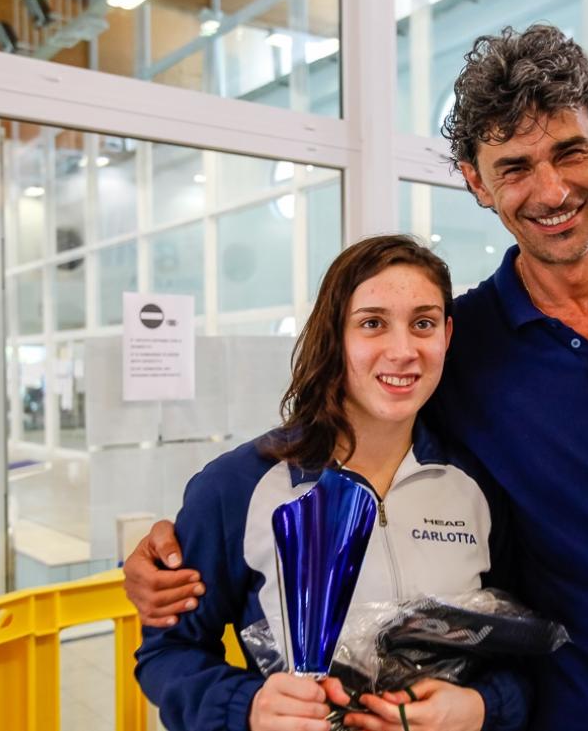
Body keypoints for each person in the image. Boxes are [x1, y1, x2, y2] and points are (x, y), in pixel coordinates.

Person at [126, 25, 588, 730]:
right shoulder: (465, 344)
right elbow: (349, 440)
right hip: (579, 706)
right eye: (515, 165)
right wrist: (176, 545)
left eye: (570, 151)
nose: (551, 189)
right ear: (475, 180)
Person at [134, 236, 529, 731]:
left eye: (423, 324)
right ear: (334, 334)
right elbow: (168, 654)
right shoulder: (238, 487)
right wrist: (248, 708)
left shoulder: (477, 486)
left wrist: (482, 708)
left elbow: (519, 651)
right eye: (372, 324)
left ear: (447, 335)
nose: (403, 351)